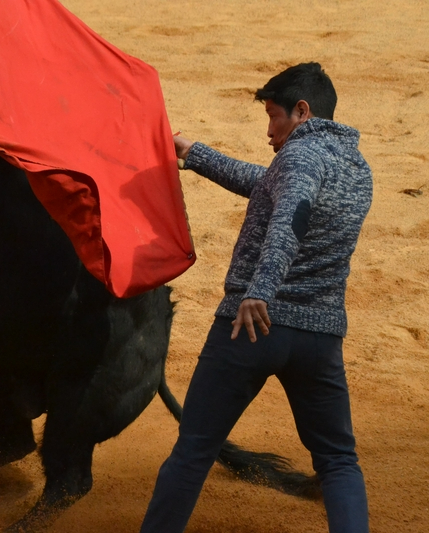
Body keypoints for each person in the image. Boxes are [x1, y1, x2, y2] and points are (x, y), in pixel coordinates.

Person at [141, 62, 371, 533]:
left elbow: (291, 213)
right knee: (337, 460)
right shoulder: (356, 167)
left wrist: (259, 292)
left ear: (301, 111)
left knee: (194, 451)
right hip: (319, 340)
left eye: (274, 116)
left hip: (252, 328)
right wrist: (194, 153)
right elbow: (270, 186)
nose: (270, 131)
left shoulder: (300, 159)